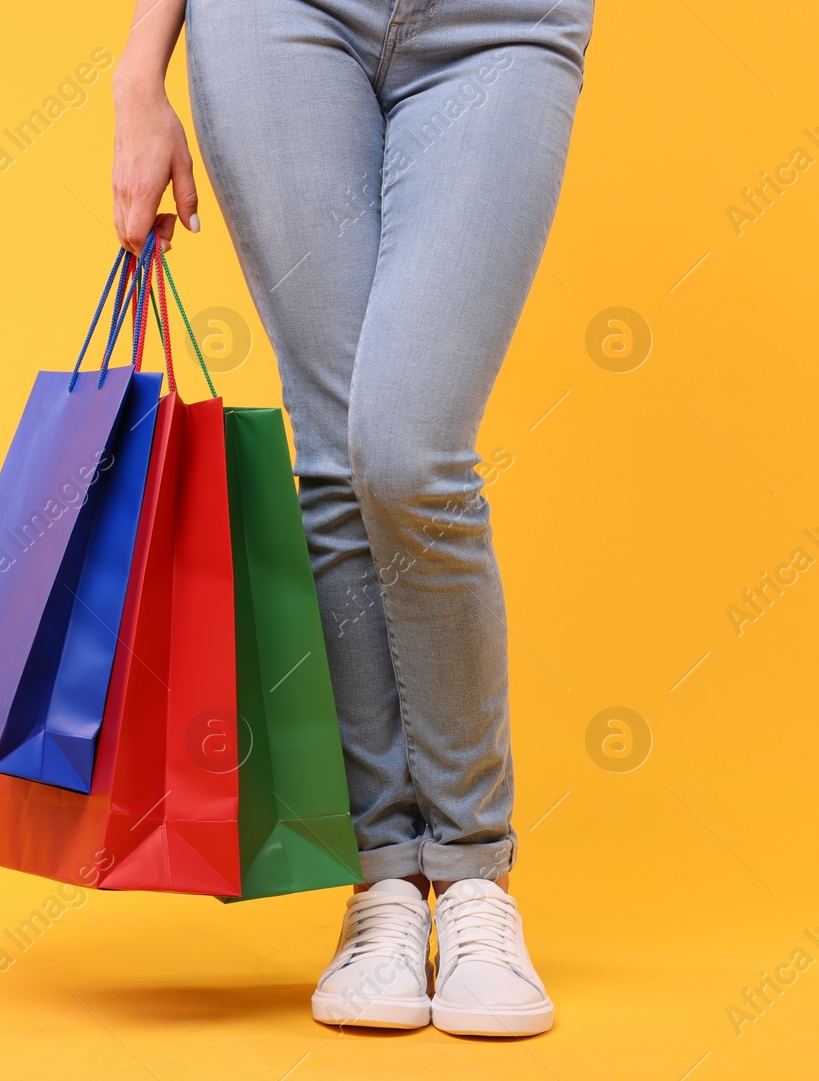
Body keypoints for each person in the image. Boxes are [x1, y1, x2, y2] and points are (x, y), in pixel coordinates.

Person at [111, 0, 593, 1036]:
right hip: (273, 22)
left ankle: (471, 875)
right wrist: (137, 74)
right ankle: (383, 881)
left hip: (500, 24)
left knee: (408, 452)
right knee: (331, 457)